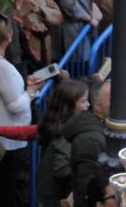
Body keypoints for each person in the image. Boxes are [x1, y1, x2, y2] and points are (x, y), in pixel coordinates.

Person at [0, 13, 42, 206]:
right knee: (3, 196)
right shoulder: (1, 67)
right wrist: (31, 92)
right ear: (8, 35)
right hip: (5, 143)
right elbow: (16, 106)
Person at [35, 79, 89, 207]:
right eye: (83, 101)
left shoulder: (54, 125)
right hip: (57, 199)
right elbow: (62, 170)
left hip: (48, 195)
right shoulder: (66, 133)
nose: (88, 105)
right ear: (70, 106)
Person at [66, 80, 111, 206]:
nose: (123, 104)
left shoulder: (106, 130)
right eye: (114, 100)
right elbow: (87, 191)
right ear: (98, 106)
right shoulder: (88, 141)